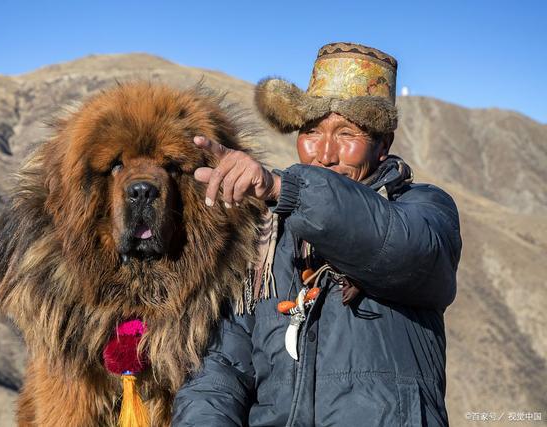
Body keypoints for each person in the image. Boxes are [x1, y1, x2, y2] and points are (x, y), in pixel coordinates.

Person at [172, 42, 462, 426]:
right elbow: (225, 366)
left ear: (382, 145)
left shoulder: (423, 210)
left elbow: (402, 249)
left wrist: (284, 190)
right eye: (311, 130)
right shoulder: (267, 237)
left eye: (346, 133)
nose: (324, 154)